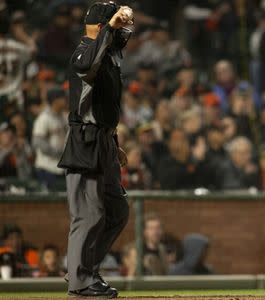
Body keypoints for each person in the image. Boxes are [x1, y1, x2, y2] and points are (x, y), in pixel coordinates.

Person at [57, 2, 133, 298]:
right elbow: (86, 65)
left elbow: (102, 110)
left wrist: (114, 144)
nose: (122, 33)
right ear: (103, 27)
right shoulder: (84, 52)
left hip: (103, 142)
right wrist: (109, 29)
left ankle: (84, 268)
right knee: (88, 214)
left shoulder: (107, 56)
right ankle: (80, 280)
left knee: (117, 210)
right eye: (116, 27)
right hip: (84, 143)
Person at [32, 87, 68, 190]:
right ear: (55, 100)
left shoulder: (64, 117)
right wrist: (60, 153)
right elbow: (37, 143)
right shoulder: (44, 118)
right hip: (46, 167)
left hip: (60, 167)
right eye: (63, 98)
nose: (65, 100)